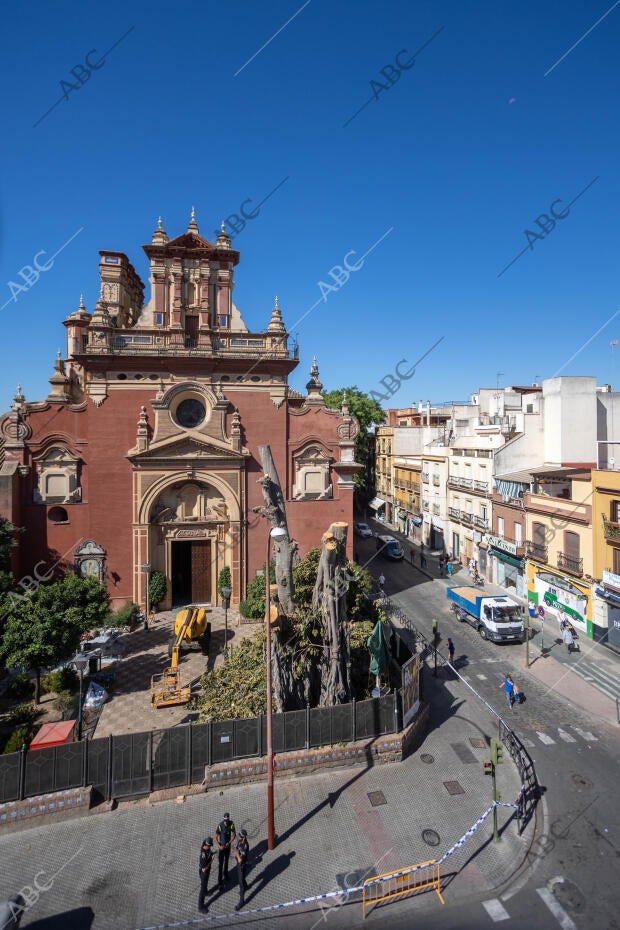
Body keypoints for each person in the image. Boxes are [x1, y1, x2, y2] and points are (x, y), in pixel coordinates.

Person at [216, 812, 236, 887]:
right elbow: (215, 838)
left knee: (226, 862)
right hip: (221, 848)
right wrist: (219, 846)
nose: (226, 822)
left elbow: (234, 835)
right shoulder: (220, 826)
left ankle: (226, 875)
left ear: (228, 819)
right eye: (225, 820)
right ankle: (220, 881)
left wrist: (229, 842)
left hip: (227, 847)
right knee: (221, 864)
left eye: (227, 820)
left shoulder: (231, 824)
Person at [234, 829, 250, 911]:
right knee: (242, 879)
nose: (239, 837)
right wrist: (236, 852)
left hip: (242, 866)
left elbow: (240, 859)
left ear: (244, 837)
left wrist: (236, 854)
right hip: (239, 865)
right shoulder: (240, 841)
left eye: (240, 836)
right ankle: (246, 886)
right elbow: (236, 848)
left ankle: (241, 901)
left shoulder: (245, 845)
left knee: (241, 883)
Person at [198, 837, 214, 913]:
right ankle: (200, 907)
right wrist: (212, 860)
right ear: (207, 845)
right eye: (210, 846)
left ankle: (206, 892)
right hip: (204, 873)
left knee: (206, 884)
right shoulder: (203, 855)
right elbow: (204, 869)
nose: (210, 847)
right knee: (202, 889)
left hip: (206, 872)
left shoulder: (205, 845)